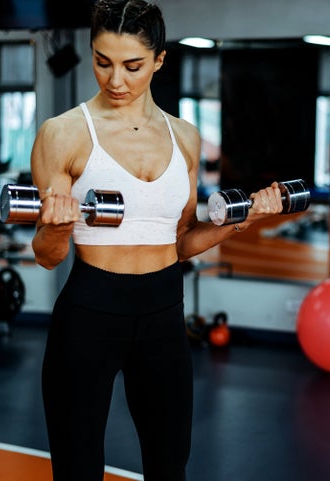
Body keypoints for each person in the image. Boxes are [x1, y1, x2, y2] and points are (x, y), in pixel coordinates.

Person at [29, 1, 285, 480]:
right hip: (89, 314)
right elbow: (47, 257)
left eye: (133, 65)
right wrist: (57, 226)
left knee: (169, 467)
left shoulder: (184, 138)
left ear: (160, 60)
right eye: (102, 62)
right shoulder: (62, 134)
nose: (116, 80)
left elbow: (182, 242)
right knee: (77, 468)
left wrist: (244, 217)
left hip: (163, 314)